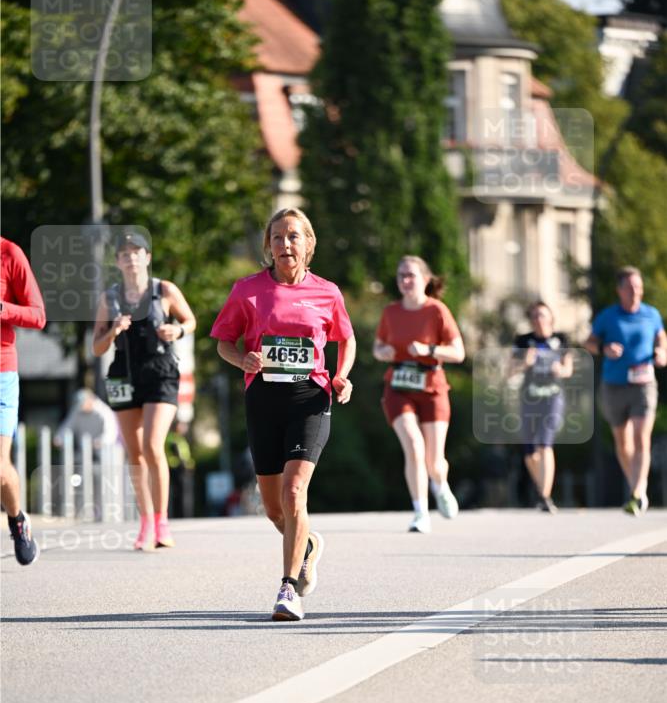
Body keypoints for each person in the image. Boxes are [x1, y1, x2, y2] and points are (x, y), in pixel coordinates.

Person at [211, 207, 355, 622]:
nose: (285, 244)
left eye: (293, 236)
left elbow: (347, 340)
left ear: (309, 244)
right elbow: (224, 342)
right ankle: (307, 546)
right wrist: (244, 360)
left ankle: (288, 589)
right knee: (274, 508)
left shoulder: (327, 292)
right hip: (263, 401)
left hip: (310, 398)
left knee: (295, 492)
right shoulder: (247, 291)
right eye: (277, 237)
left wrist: (341, 377)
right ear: (268, 246)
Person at [92, 232, 196, 549]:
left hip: (160, 373)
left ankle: (162, 524)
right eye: (124, 253)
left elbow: (190, 320)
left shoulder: (163, 290)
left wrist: (176, 329)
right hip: (123, 376)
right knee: (134, 455)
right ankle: (145, 523)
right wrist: (113, 330)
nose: (131, 258)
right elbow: (97, 347)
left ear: (147, 258)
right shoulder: (109, 299)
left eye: (136, 252)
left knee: (152, 445)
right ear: (118, 262)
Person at [373, 255, 464, 533]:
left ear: (425, 279)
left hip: (433, 388)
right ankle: (420, 512)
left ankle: (440, 483)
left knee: (434, 462)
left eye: (411, 275)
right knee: (413, 445)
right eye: (401, 276)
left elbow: (459, 353)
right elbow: (377, 347)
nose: (405, 280)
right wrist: (383, 352)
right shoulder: (391, 312)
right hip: (399, 388)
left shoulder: (437, 311)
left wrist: (430, 350)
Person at [585, 266, 666, 515]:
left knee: (642, 436)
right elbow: (589, 343)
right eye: (630, 287)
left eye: (638, 287)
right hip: (614, 385)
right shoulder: (608, 317)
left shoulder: (651, 314)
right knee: (623, 442)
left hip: (644, 384)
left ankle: (637, 492)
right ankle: (636, 488)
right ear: (619, 290)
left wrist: (662, 351)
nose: (635, 292)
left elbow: (661, 336)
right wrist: (604, 349)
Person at [0, 236, 46, 566]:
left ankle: (17, 521)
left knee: (1, 471)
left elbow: (38, 315)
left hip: (1, 371)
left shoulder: (9, 253)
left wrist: (3, 308)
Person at [511, 300, 573, 513]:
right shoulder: (523, 341)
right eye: (535, 316)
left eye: (543, 315)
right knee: (529, 453)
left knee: (545, 444)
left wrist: (560, 370)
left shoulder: (561, 340)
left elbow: (569, 369)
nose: (539, 319)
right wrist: (524, 364)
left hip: (552, 398)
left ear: (551, 318)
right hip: (529, 398)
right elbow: (510, 371)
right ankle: (542, 490)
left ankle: (544, 497)